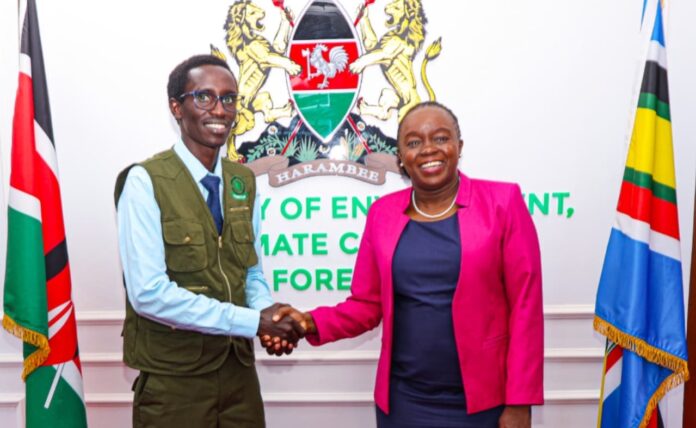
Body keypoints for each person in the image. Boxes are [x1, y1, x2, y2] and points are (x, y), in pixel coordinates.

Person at [270, 101, 544, 428]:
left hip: (486, 401)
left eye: (440, 138)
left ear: (459, 146)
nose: (428, 149)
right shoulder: (382, 214)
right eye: (414, 142)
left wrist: (519, 403)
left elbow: (526, 308)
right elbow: (366, 305)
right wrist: (307, 322)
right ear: (401, 157)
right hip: (405, 401)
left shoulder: (502, 202)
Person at [115, 54, 304, 428]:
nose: (219, 109)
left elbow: (251, 274)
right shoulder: (144, 180)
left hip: (238, 377)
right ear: (176, 107)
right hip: (174, 382)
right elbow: (148, 293)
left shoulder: (242, 181)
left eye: (229, 98)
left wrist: (270, 315)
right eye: (204, 97)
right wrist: (254, 322)